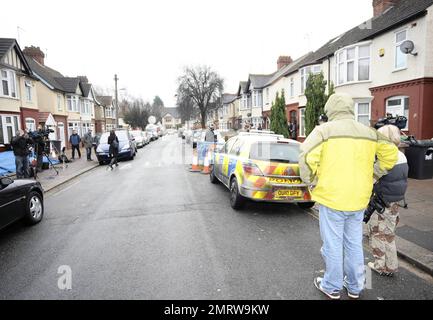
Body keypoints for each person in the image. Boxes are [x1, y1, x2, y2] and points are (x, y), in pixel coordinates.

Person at [299, 93, 398, 300]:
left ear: (330, 110)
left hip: (333, 198)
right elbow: (391, 154)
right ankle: (355, 286)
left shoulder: (324, 131)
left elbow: (307, 157)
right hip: (359, 198)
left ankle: (332, 286)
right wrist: (375, 173)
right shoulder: (369, 132)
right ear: (350, 109)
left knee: (333, 244)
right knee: (354, 243)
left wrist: (309, 179)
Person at [367, 125, 408, 277]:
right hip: (396, 201)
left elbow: (372, 178)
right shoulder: (401, 155)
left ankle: (379, 265)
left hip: (382, 201)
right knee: (389, 234)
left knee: (377, 233)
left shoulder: (384, 156)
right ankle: (391, 265)